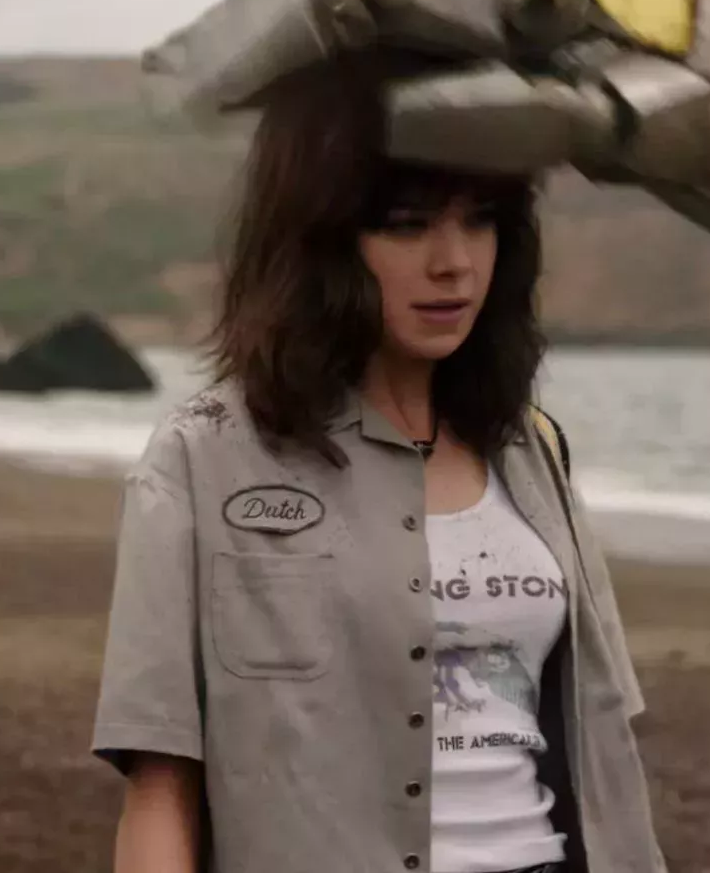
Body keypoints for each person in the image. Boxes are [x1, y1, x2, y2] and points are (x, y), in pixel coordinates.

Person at [90, 51, 664, 873]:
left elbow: (604, 742)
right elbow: (160, 790)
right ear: (320, 239)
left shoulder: (532, 450)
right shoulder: (200, 458)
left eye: (480, 220)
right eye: (406, 223)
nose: (453, 262)